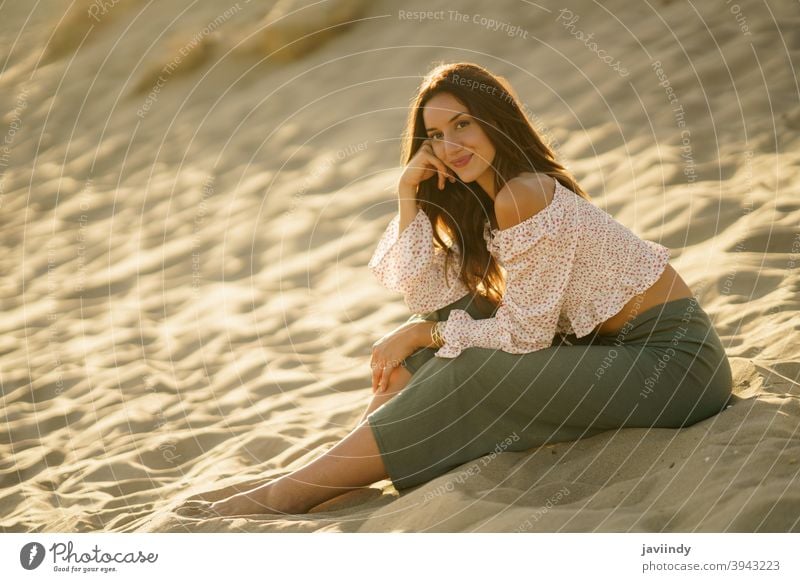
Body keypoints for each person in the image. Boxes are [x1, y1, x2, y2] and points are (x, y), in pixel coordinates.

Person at [176, 61, 733, 518]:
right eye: (436, 136)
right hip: (612, 354)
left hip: (675, 368)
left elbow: (525, 335)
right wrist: (407, 195)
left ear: (496, 121)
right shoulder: (493, 205)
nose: (449, 146)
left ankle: (291, 492)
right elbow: (429, 296)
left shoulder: (525, 195)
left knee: (469, 365)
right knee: (446, 330)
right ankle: (340, 469)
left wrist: (424, 332)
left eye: (462, 125)